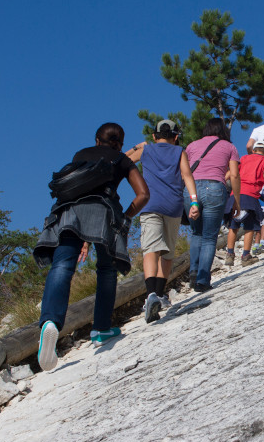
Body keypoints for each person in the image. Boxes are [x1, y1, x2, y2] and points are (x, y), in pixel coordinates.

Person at [34, 122, 150, 371]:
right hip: (104, 213)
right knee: (106, 270)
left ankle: (50, 322)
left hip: (70, 213)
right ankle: (101, 328)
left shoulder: (80, 155)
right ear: (120, 143)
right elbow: (143, 194)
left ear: (97, 140)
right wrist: (126, 217)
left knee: (63, 266)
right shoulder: (122, 159)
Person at [126, 120, 200, 323]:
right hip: (173, 206)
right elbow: (187, 176)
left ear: (153, 136)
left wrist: (137, 147)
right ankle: (160, 294)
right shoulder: (179, 152)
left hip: (149, 205)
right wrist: (194, 202)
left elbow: (122, 161)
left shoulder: (146, 151)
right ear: (176, 137)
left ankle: (150, 295)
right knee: (167, 252)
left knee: (151, 248)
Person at [184, 118, 241, 292]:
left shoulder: (192, 146)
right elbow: (234, 175)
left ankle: (193, 270)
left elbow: (185, 170)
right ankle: (202, 279)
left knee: (196, 232)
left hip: (191, 189)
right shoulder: (229, 147)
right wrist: (237, 201)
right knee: (210, 237)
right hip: (215, 188)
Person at [224, 141, 264, 267]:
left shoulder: (244, 158)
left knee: (233, 226)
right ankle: (245, 256)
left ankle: (229, 254)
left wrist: (223, 182)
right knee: (249, 227)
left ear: (254, 150)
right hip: (250, 196)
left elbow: (230, 173)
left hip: (235, 194)